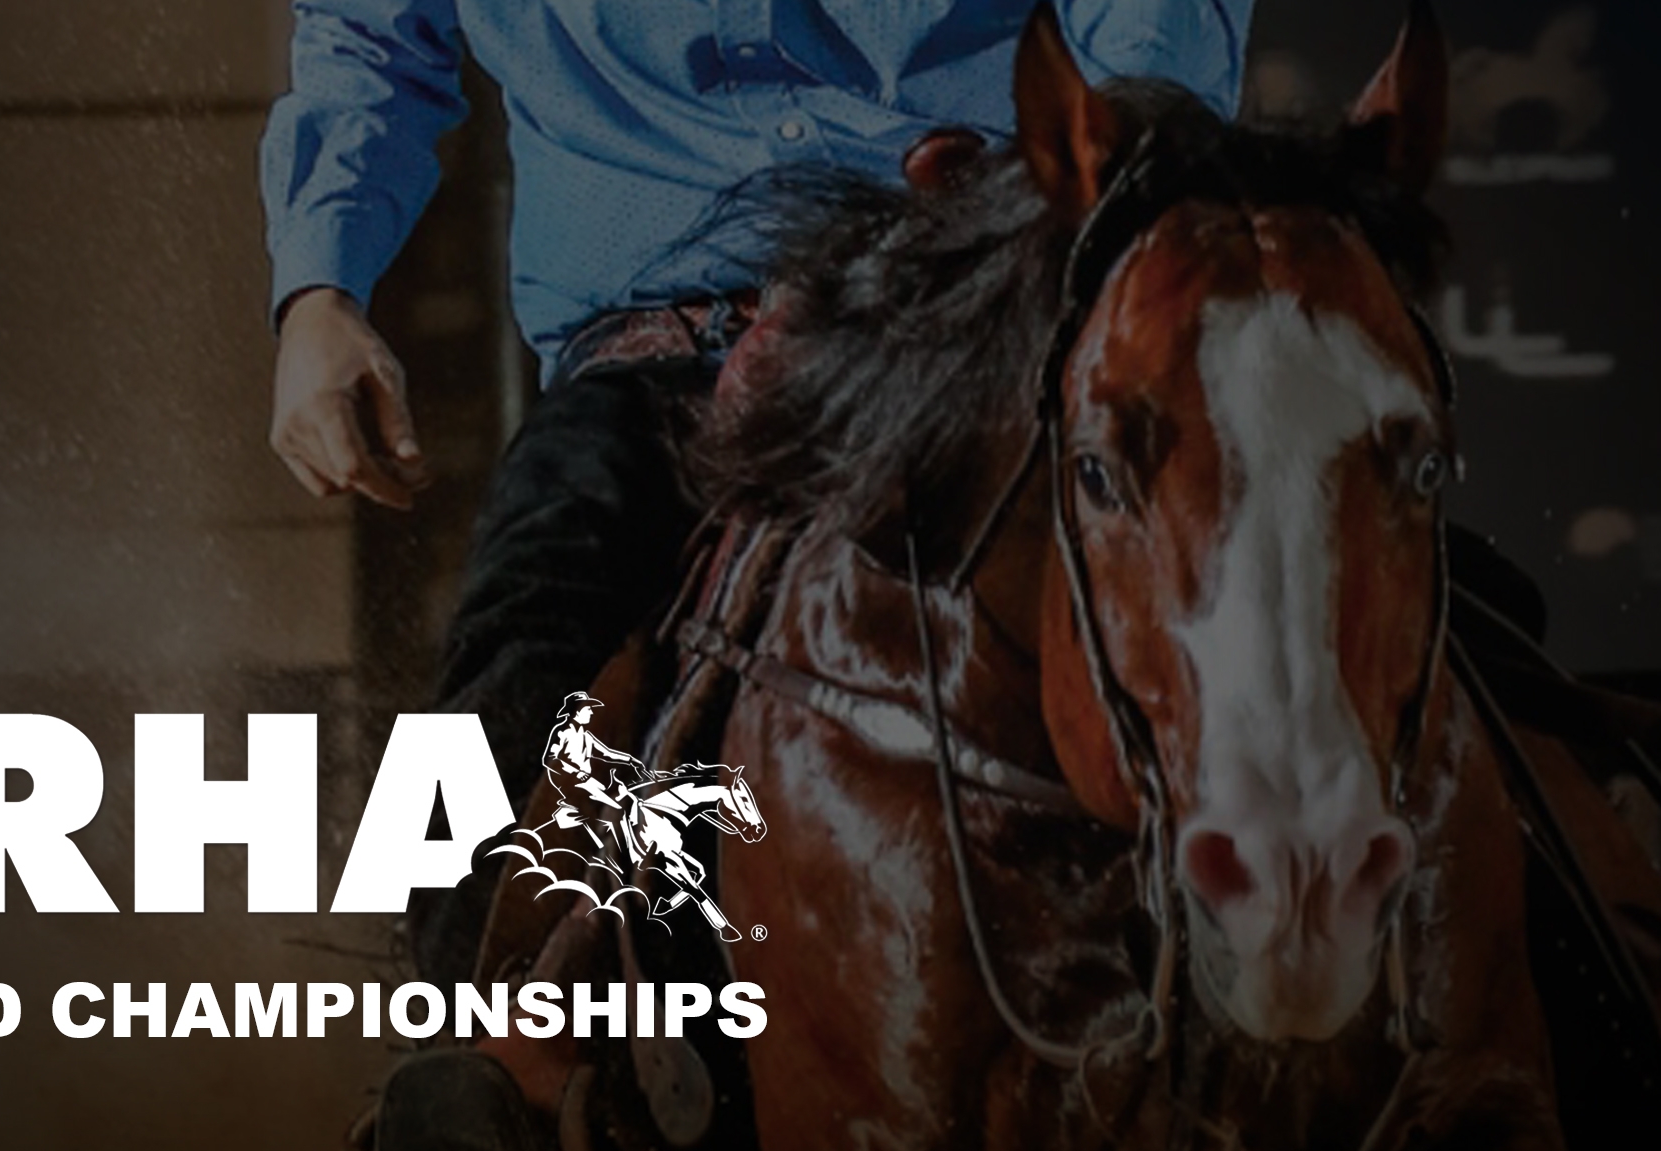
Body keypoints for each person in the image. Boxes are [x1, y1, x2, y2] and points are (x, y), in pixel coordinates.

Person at [260, 0, 1253, 992]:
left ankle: (1265, 990)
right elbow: (371, 38)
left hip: (970, 323)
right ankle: (471, 1043)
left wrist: (1105, 193)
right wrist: (320, 293)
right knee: (511, 672)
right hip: (647, 359)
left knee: (1197, 624)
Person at [539, 691, 645, 872]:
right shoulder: (564, 734)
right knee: (615, 809)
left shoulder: (586, 736)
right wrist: (574, 772)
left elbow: (606, 753)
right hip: (573, 784)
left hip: (588, 781)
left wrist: (629, 760)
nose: (590, 712)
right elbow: (550, 760)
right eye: (587, 709)